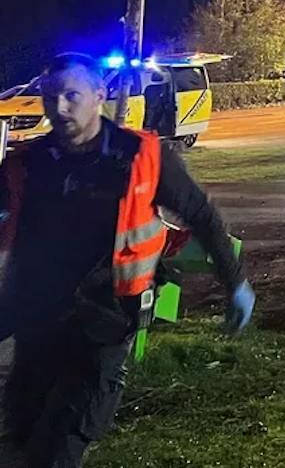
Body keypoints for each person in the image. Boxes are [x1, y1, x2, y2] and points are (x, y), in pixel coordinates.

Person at [0, 55, 254, 467]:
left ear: (100, 95)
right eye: (50, 97)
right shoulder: (29, 163)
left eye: (71, 96)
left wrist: (235, 283)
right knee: (17, 449)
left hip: (101, 328)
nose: (59, 108)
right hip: (34, 329)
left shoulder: (141, 157)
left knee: (56, 452)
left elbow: (201, 215)